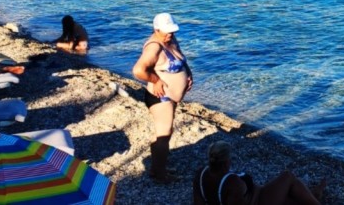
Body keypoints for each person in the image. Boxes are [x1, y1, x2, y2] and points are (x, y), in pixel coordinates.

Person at [132, 13, 194, 182]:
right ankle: (160, 174)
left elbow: (181, 60)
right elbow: (138, 70)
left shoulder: (171, 40)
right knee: (163, 135)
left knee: (166, 133)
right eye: (167, 32)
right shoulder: (154, 47)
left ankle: (157, 167)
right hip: (160, 98)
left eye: (172, 31)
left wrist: (188, 75)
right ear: (156, 29)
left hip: (171, 98)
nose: (170, 34)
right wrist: (156, 80)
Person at [193, 141, 324, 205]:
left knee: (294, 195)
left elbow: (198, 202)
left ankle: (314, 194)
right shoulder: (232, 183)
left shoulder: (200, 174)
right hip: (259, 200)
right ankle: (315, 197)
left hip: (259, 194)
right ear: (227, 161)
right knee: (288, 176)